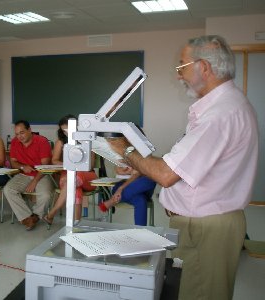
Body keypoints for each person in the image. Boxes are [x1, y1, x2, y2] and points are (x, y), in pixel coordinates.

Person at [108, 35, 258, 300]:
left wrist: (125, 149)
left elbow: (166, 175)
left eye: (182, 67)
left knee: (198, 293)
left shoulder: (219, 115)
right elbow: (186, 167)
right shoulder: (226, 106)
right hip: (206, 225)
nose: (179, 75)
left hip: (206, 230)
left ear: (204, 67)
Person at [42, 114, 97, 226]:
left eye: (69, 129)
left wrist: (77, 165)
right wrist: (69, 164)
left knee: (74, 180)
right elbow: (54, 161)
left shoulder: (87, 140)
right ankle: (76, 224)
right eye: (64, 131)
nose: (67, 133)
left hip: (87, 176)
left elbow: (91, 166)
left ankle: (51, 213)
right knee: (75, 188)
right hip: (67, 174)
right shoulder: (61, 142)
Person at [3, 120, 54, 230]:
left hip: (42, 174)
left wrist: (34, 181)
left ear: (30, 130)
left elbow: (45, 166)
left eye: (22, 133)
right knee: (8, 190)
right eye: (17, 134)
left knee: (45, 195)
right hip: (24, 174)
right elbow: (13, 162)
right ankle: (27, 217)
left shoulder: (42, 141)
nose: (19, 137)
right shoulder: (15, 142)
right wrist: (22, 167)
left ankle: (35, 216)